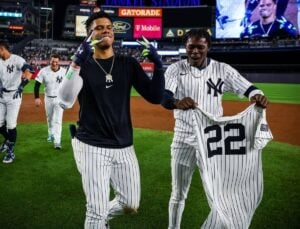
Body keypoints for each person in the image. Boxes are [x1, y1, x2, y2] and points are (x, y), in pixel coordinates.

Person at [57, 11, 164, 228]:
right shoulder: (83, 65)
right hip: (91, 144)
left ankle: (102, 216)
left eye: (108, 27)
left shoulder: (128, 63)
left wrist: (158, 65)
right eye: (98, 27)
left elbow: (155, 96)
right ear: (89, 36)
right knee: (95, 210)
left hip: (124, 144)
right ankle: (98, 218)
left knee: (130, 203)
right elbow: (65, 100)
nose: (105, 30)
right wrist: (76, 63)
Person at [161, 28, 268, 229]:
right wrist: (176, 102)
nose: (194, 51)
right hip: (183, 137)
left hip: (212, 140)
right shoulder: (175, 69)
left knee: (220, 190)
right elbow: (164, 98)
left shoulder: (222, 69)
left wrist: (257, 95)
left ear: (207, 47)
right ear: (185, 47)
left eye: (199, 47)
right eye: (190, 46)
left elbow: (248, 88)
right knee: (178, 192)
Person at [0, 40, 33, 163]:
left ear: (2, 49)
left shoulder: (17, 59)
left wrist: (22, 85)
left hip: (14, 95)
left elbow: (29, 72)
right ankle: (8, 141)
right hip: (2, 95)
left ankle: (10, 152)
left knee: (11, 125)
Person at [34, 53, 66, 149]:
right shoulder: (44, 71)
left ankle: (57, 141)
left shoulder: (64, 71)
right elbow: (37, 85)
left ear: (59, 61)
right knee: (50, 117)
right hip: (48, 97)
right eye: (53, 61)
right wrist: (36, 97)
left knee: (58, 120)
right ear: (50, 61)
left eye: (56, 61)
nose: (54, 63)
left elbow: (68, 85)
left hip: (59, 99)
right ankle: (50, 133)